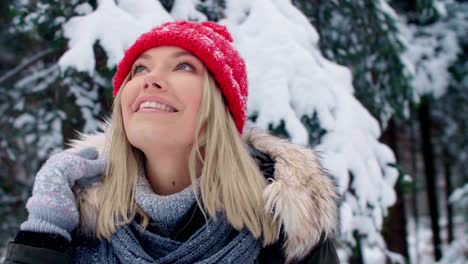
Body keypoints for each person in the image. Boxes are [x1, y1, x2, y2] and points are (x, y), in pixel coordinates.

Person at [3, 20, 340, 264]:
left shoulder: (288, 228)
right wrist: (43, 235)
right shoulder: (75, 222)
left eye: (183, 66)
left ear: (219, 108)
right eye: (139, 69)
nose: (151, 79)